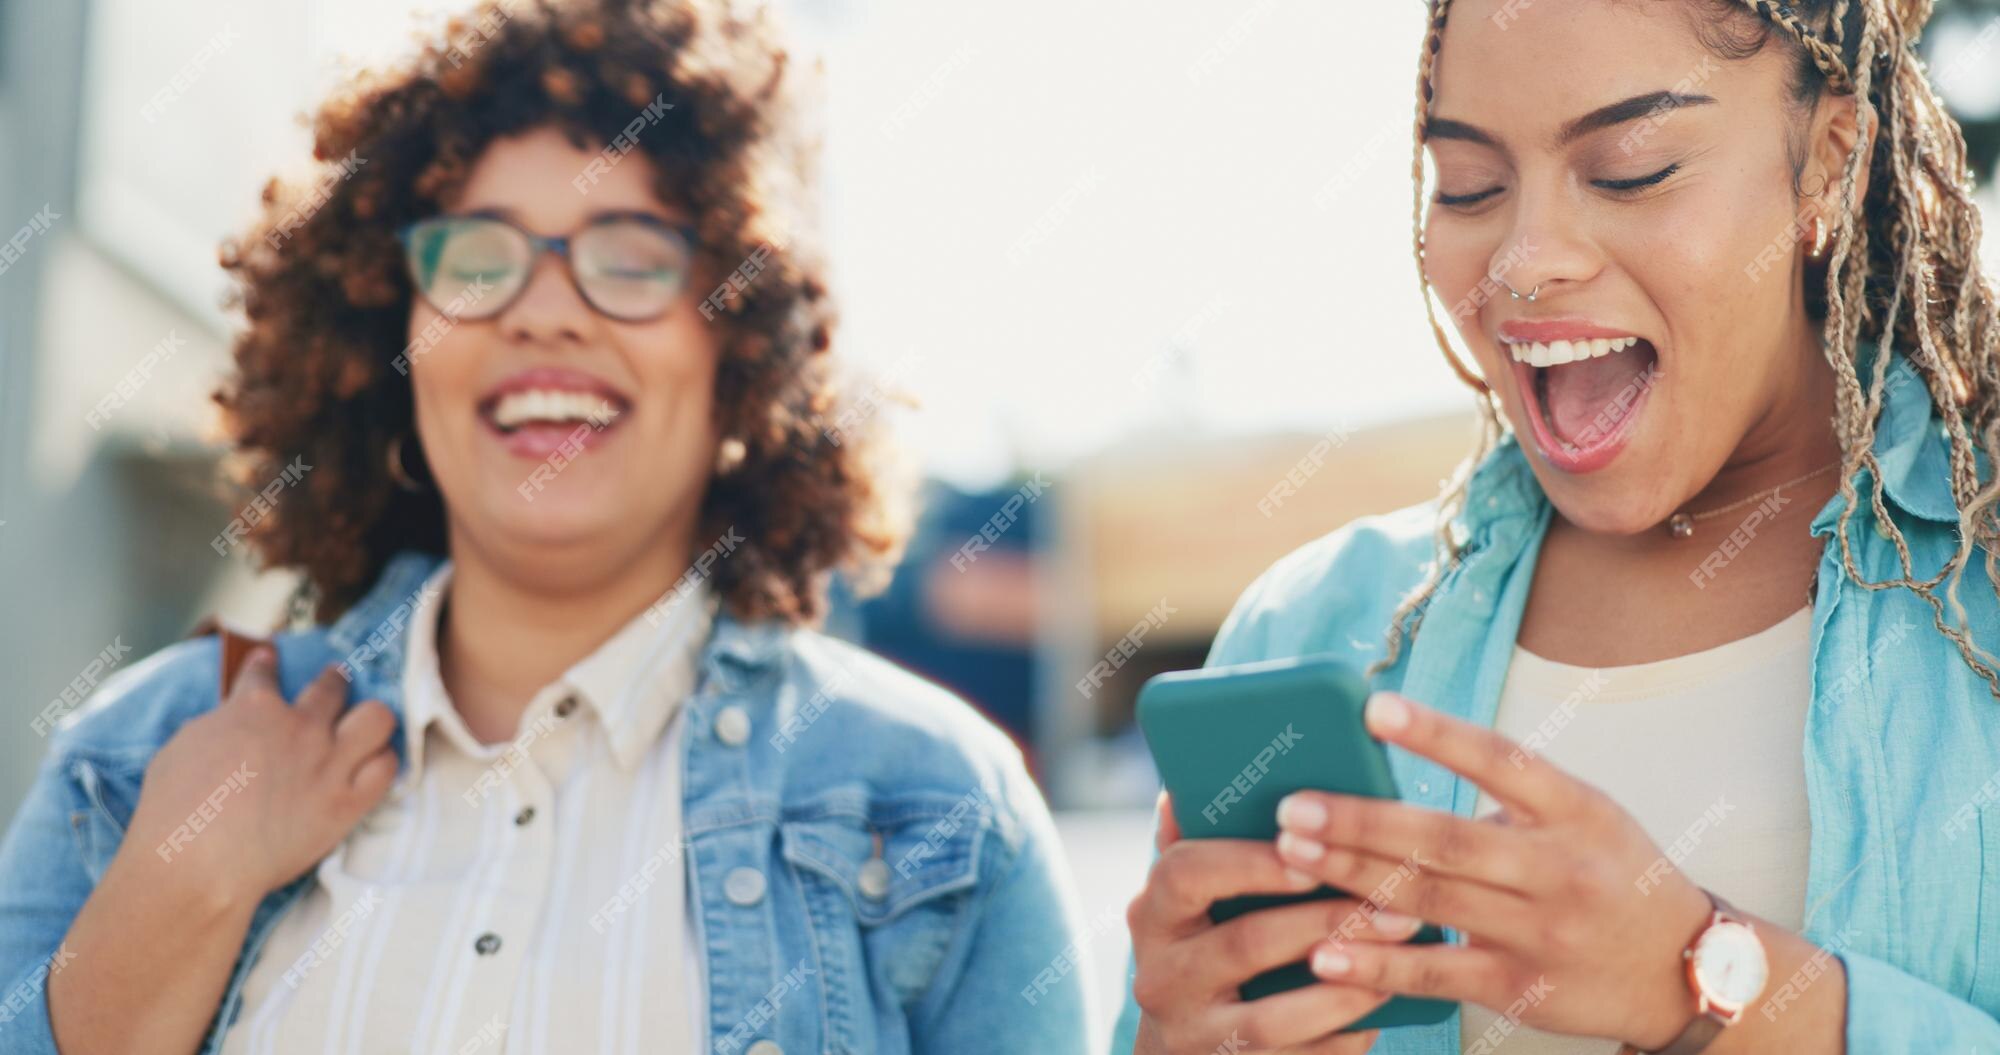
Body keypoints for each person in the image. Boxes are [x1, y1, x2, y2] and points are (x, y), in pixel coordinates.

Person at [0, 2, 1090, 1052]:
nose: (543, 307)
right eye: (477, 258)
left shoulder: (940, 807)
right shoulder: (140, 753)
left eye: (628, 255)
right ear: (398, 332)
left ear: (738, 351)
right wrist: (181, 886)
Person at [1115, 0, 2000, 1051]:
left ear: (1828, 162)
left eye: (1628, 169)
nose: (1523, 261)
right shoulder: (1312, 627)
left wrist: (1703, 983)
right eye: (1468, 187)